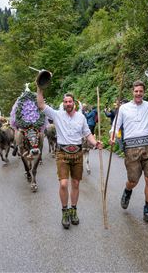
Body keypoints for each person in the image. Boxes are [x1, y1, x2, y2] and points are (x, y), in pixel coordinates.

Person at [109, 70, 148, 227]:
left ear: (144, 92)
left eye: (141, 91)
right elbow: (115, 126)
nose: (138, 94)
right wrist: (113, 135)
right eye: (136, 91)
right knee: (133, 180)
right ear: (132, 92)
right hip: (131, 149)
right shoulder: (123, 108)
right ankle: (127, 190)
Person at [37, 87, 103, 229]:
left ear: (74, 103)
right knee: (63, 184)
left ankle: (73, 210)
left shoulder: (81, 117)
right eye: (65, 101)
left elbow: (87, 134)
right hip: (62, 153)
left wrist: (95, 143)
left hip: (78, 153)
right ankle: (64, 211)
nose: (68, 104)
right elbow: (41, 105)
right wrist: (40, 88)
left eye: (70, 101)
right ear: (63, 103)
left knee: (76, 184)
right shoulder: (57, 115)